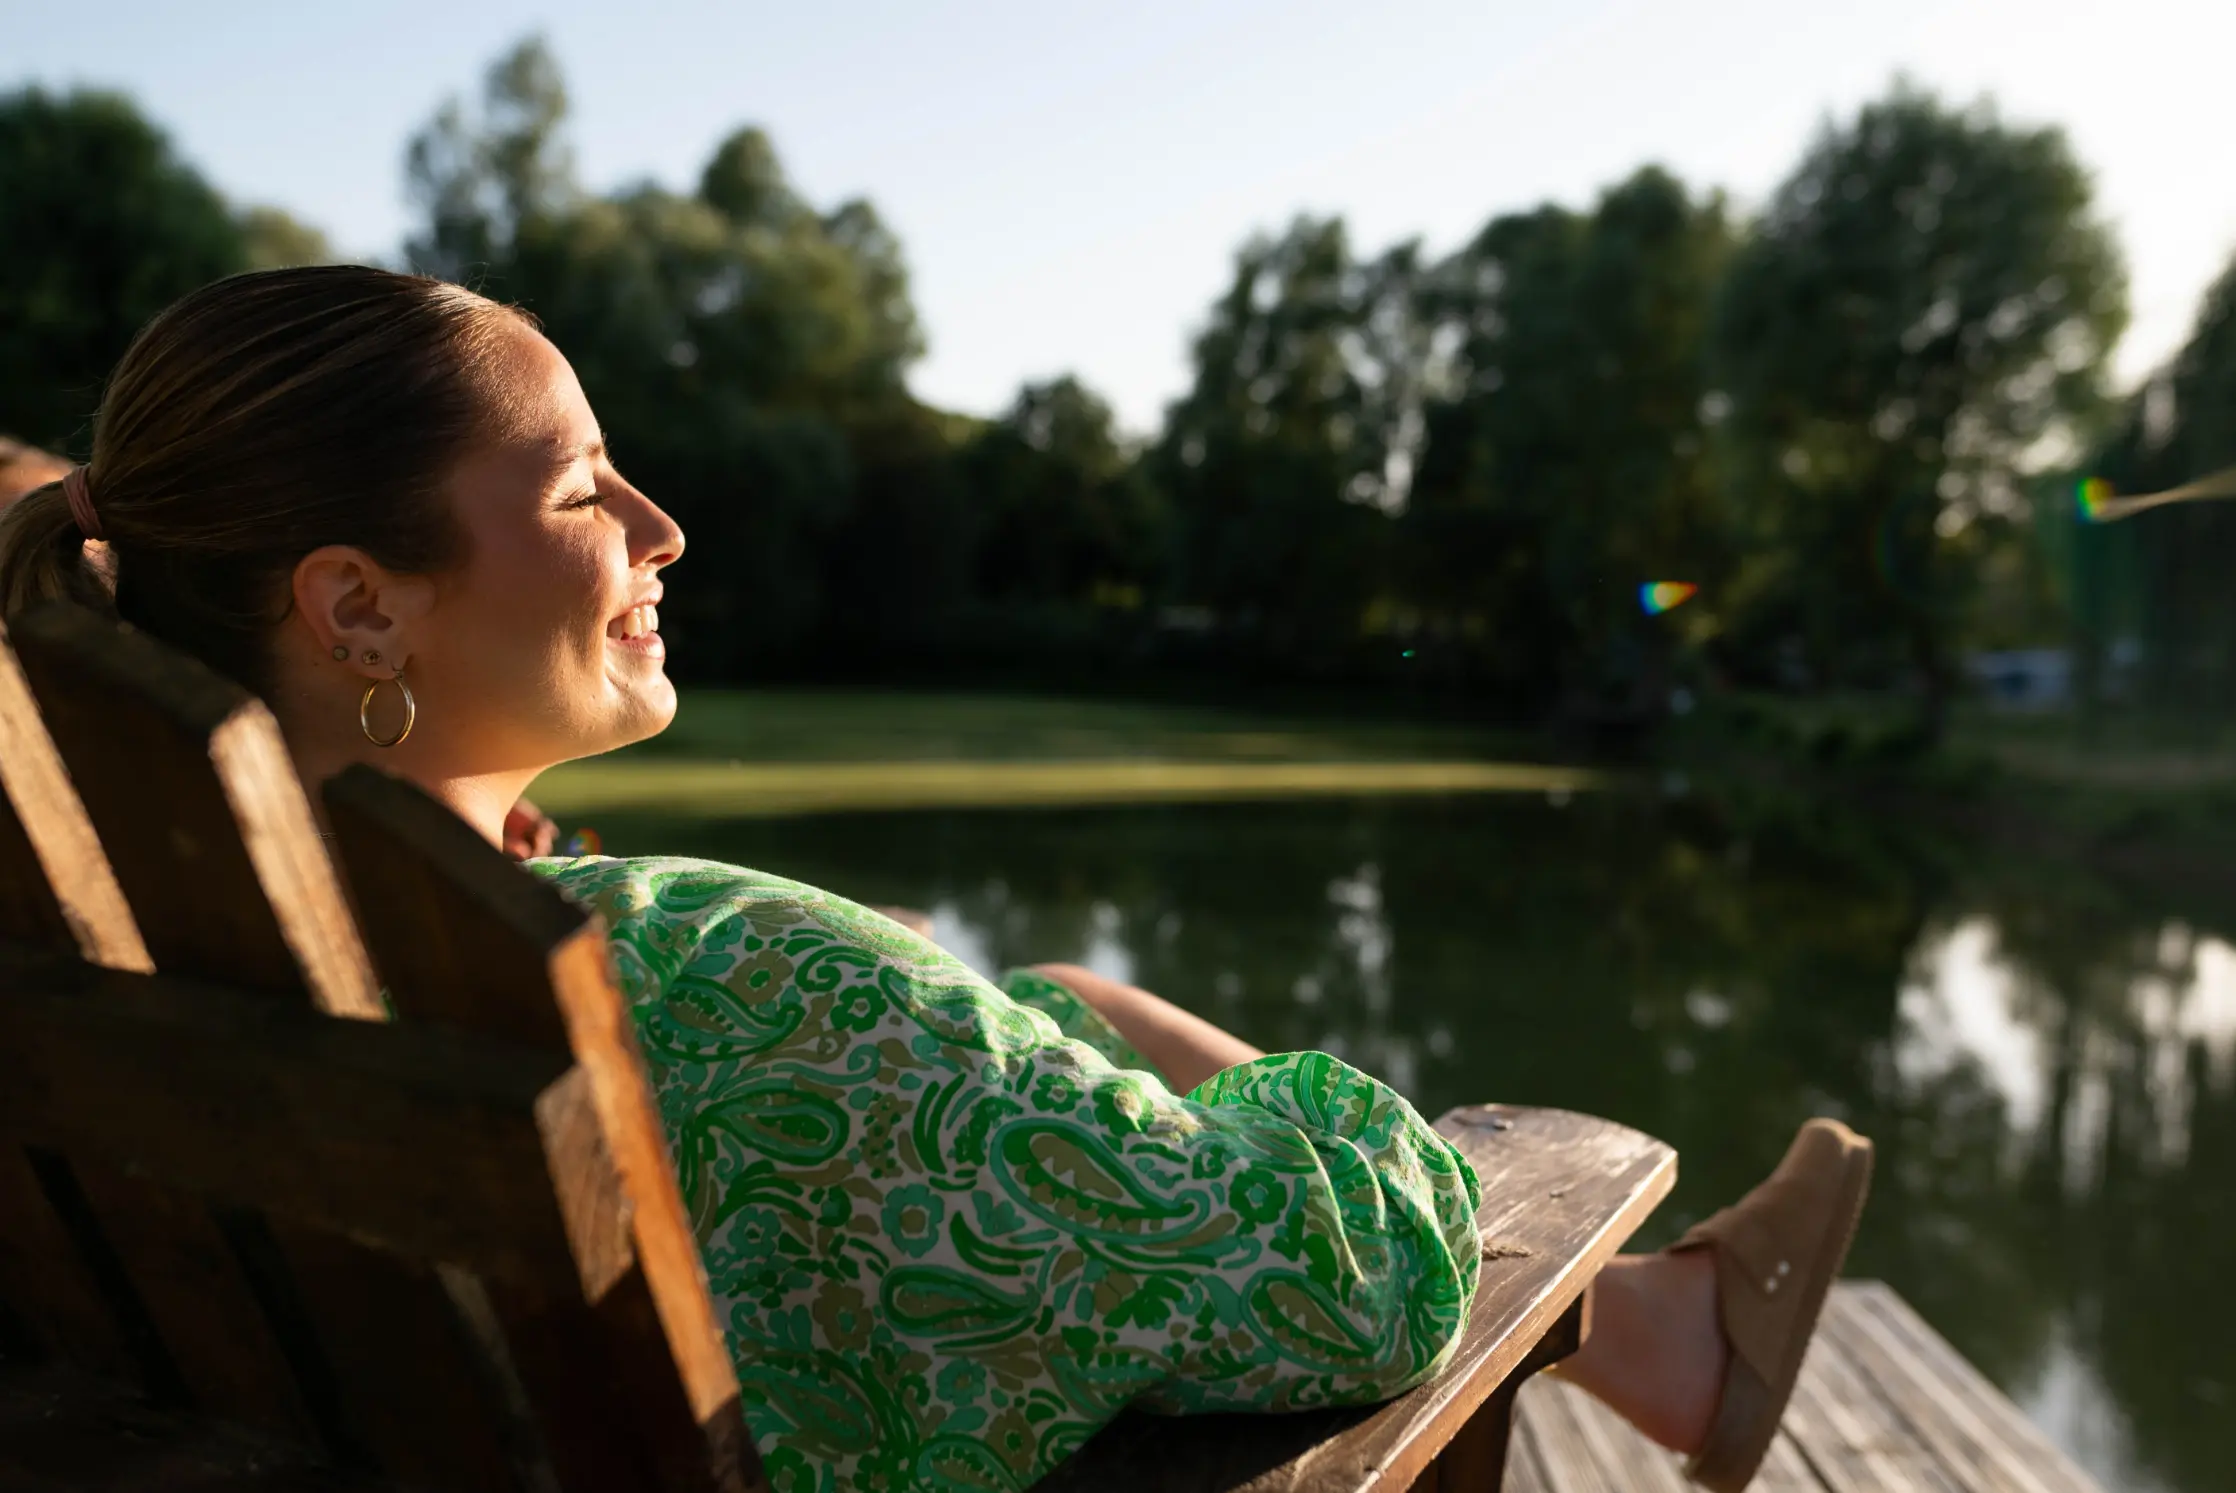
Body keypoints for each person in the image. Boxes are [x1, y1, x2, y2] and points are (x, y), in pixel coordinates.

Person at [0, 267, 1870, 1493]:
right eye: (582, 492)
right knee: (1193, 1094)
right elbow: (1360, 1285)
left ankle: (1672, 1343)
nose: (661, 530)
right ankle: (1663, 1329)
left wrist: (980, 1034)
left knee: (1063, 1010)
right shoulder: (711, 974)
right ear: (354, 605)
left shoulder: (135, 953)